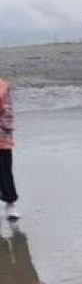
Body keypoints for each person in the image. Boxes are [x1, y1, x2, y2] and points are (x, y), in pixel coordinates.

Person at [0, 77, 16, 220]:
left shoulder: (3, 86)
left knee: (5, 172)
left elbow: (8, 112)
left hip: (1, 138)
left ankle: (10, 204)